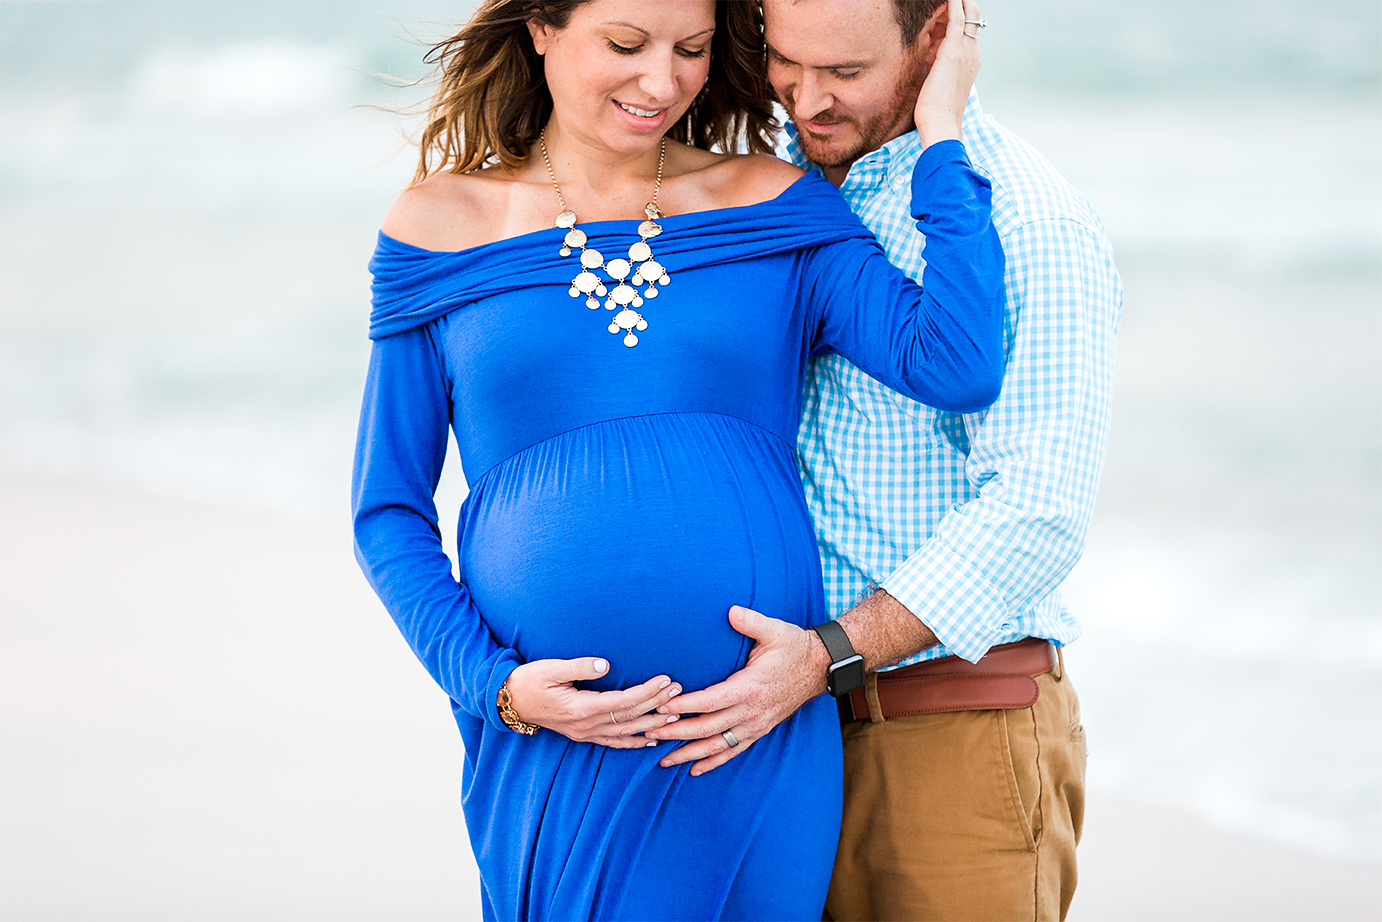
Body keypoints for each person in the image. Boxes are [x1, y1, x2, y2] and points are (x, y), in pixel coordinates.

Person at [352, 0, 1001, 918]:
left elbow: (956, 361)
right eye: (626, 45)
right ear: (541, 26)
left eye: (690, 50)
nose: (661, 82)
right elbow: (387, 512)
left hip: (749, 731)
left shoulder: (773, 204)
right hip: (558, 743)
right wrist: (493, 686)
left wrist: (942, 131)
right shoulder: (437, 228)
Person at [647, 1, 1122, 920]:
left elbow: (1039, 510)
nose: (808, 99)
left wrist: (826, 655)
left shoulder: (1030, 220)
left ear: (935, 38)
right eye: (785, 62)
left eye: (846, 74)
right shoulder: (784, 183)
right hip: (780, 744)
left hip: (947, 732)